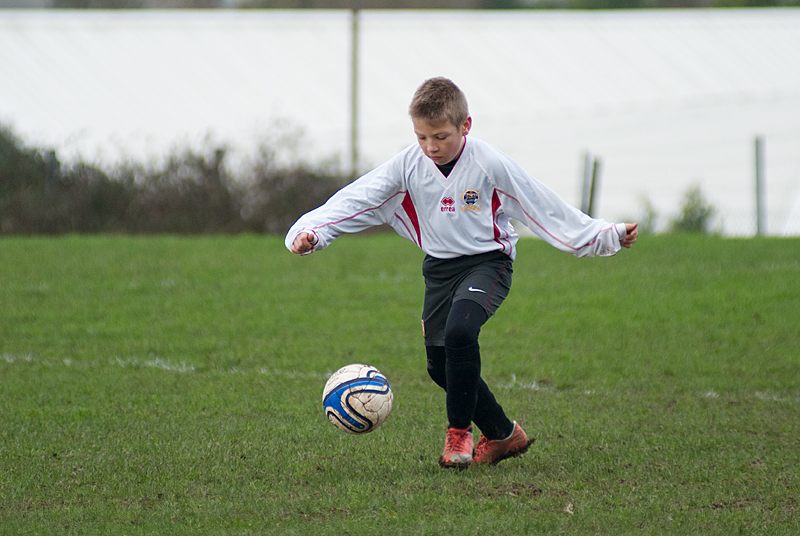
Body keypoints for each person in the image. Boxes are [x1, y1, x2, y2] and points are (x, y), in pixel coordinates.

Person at [286, 77, 638, 469]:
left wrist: (604, 236)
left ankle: (459, 436)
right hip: (439, 270)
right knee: (440, 367)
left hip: (488, 263)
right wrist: (312, 232)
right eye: (421, 137)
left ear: (465, 126)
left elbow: (543, 206)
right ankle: (503, 433)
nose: (430, 147)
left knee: (460, 332)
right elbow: (357, 199)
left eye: (440, 136)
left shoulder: (488, 164)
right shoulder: (409, 165)